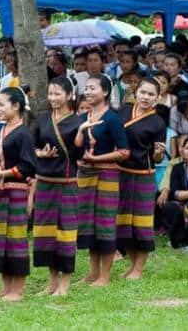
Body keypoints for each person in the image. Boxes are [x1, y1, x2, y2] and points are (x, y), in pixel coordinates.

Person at [0, 87, 36, 302]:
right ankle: (5, 286)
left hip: (16, 191)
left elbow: (28, 165)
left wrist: (5, 172)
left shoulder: (24, 133)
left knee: (15, 238)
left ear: (16, 106)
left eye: (2, 104)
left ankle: (17, 289)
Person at [74, 75, 129, 287]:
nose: (87, 92)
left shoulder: (112, 119)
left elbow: (124, 151)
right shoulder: (82, 118)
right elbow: (76, 146)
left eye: (92, 88)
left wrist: (96, 158)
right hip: (85, 175)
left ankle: (105, 275)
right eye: (86, 88)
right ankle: (92, 272)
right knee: (88, 223)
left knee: (105, 223)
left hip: (106, 175)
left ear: (105, 92)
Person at [32, 76, 83, 296]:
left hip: (66, 183)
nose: (53, 98)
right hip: (44, 183)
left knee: (65, 233)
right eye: (50, 94)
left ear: (69, 95)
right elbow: (30, 147)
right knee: (46, 234)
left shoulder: (78, 123)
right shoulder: (42, 120)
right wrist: (39, 153)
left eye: (58, 94)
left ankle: (65, 283)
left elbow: (81, 154)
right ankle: (51, 282)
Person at [116, 78, 167, 280]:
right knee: (123, 222)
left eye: (151, 94)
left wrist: (158, 154)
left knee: (142, 223)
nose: (146, 97)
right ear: (135, 92)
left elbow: (158, 157)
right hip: (120, 171)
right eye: (143, 92)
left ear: (158, 98)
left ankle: (139, 268)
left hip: (143, 175)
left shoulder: (158, 122)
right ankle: (131, 265)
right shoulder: (123, 111)